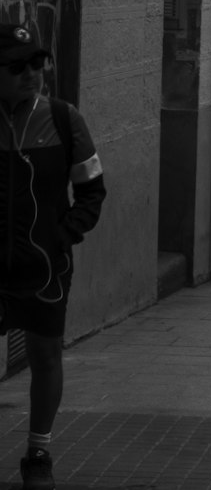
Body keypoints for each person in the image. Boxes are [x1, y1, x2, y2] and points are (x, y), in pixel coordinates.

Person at [0, 24, 106, 490]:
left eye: (37, 64)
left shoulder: (64, 119)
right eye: (17, 67)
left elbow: (91, 191)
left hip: (45, 268)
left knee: (45, 355)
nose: (31, 75)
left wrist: (65, 236)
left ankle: (38, 452)